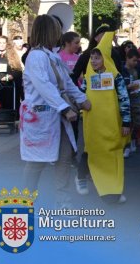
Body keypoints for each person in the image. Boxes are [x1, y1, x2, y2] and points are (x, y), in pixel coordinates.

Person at [19, 15, 91, 209]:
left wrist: (82, 99)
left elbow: (66, 82)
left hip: (57, 117)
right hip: (41, 117)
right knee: (37, 162)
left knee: (64, 158)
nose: (59, 33)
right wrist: (65, 108)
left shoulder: (52, 56)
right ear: (48, 31)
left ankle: (62, 199)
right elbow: (44, 86)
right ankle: (25, 201)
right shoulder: (36, 56)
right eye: (56, 29)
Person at [80, 33, 131, 204]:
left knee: (113, 156)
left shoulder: (116, 77)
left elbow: (124, 99)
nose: (93, 61)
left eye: (97, 58)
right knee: (95, 155)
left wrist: (126, 122)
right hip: (93, 125)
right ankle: (104, 189)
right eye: (92, 58)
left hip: (112, 126)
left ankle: (114, 190)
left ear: (105, 58)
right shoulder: (88, 76)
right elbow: (81, 96)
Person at [121, 48, 140, 158]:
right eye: (134, 60)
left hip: (136, 98)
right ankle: (127, 145)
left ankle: (134, 139)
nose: (135, 63)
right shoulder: (121, 70)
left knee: (138, 122)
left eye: (137, 61)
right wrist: (128, 86)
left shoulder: (138, 69)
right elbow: (119, 86)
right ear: (127, 58)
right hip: (125, 100)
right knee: (127, 123)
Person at [0, 35, 23, 114]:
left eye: (4, 43)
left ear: (7, 44)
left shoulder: (12, 56)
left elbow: (18, 71)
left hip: (9, 85)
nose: (2, 44)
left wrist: (9, 77)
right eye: (0, 42)